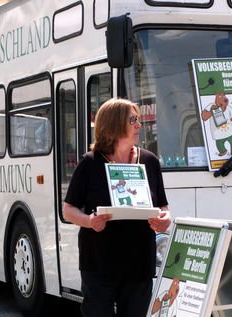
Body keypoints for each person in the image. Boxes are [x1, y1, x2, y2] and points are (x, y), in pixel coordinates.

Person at [62, 98, 171, 317]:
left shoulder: (149, 161)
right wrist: (90, 222)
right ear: (113, 123)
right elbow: (68, 209)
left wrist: (165, 219)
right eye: (133, 120)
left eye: (138, 119)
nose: (139, 125)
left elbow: (163, 206)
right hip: (100, 263)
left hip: (139, 263)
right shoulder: (90, 163)